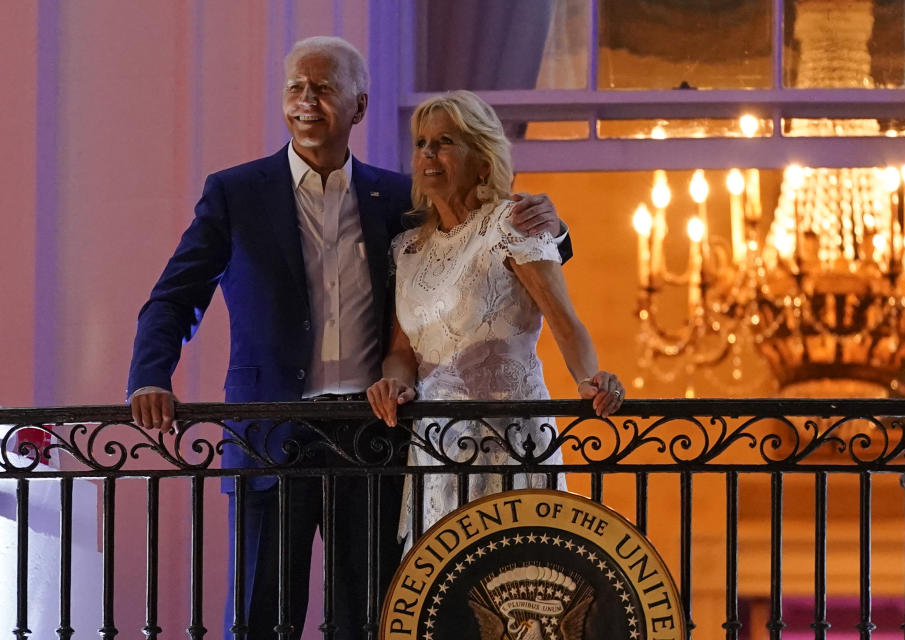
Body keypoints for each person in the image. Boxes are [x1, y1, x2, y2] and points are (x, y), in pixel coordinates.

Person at [127, 38, 565, 639]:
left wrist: (556, 229)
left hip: (372, 435)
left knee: (366, 618)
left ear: (358, 107)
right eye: (295, 88)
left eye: (324, 88)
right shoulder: (235, 193)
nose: (306, 101)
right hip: (268, 434)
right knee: (260, 616)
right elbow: (174, 297)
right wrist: (151, 377)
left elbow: (474, 244)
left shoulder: (396, 200)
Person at [366, 90, 624, 548]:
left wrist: (590, 378)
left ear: (482, 161)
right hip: (436, 447)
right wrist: (395, 383)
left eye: (444, 141)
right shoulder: (406, 250)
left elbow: (564, 320)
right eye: (421, 143)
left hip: (513, 441)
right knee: (441, 597)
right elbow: (402, 352)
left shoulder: (511, 223)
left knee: (519, 587)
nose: (428, 153)